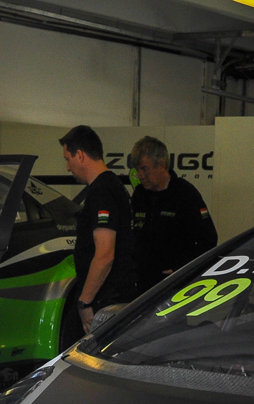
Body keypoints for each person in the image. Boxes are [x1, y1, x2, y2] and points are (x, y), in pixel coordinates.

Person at [57, 125, 137, 352]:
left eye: (68, 159)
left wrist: (85, 302)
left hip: (104, 303)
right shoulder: (113, 187)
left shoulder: (102, 192)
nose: (68, 167)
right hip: (110, 299)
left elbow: (104, 255)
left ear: (80, 155)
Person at [129, 136, 218, 295]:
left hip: (175, 284)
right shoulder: (139, 195)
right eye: (137, 170)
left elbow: (209, 239)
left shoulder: (185, 194)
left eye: (144, 169)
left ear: (161, 165)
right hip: (142, 283)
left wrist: (180, 267)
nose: (140, 175)